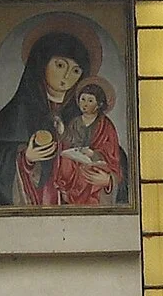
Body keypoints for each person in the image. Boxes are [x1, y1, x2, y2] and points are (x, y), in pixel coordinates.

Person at [0, 29, 93, 206]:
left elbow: (111, 157)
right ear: (42, 63)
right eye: (60, 66)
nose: (66, 77)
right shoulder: (17, 113)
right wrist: (25, 159)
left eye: (75, 71)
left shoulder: (84, 115)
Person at [50, 76, 125, 205]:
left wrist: (94, 154)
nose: (85, 103)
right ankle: (66, 193)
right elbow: (70, 140)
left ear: (99, 104)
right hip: (77, 160)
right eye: (82, 99)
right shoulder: (76, 122)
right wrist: (62, 131)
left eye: (90, 100)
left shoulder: (105, 125)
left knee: (88, 171)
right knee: (65, 160)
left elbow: (110, 150)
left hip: (96, 163)